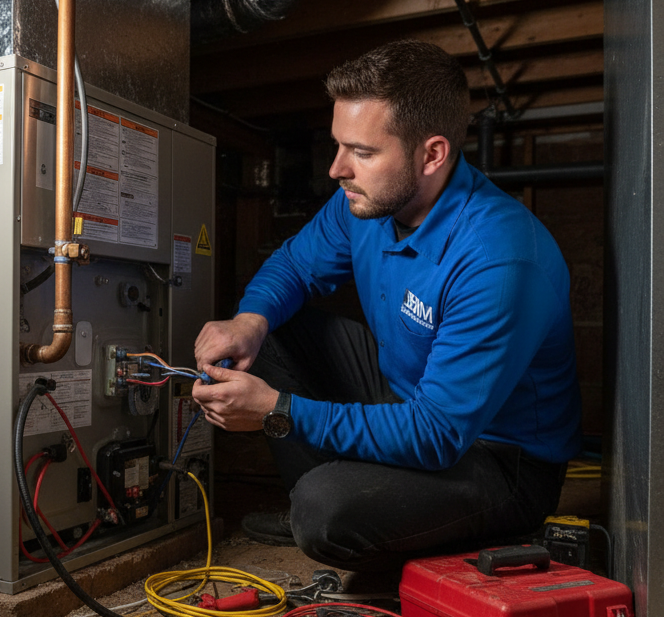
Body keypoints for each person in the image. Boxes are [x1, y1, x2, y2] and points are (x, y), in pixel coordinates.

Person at [191, 40, 582, 582]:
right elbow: (295, 268)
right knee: (270, 334)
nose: (336, 169)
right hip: (409, 396)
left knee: (324, 511)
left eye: (363, 152)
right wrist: (248, 321)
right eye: (338, 146)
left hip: (497, 456)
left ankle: (396, 522)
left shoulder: (499, 258)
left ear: (432, 154)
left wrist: (277, 410)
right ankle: (363, 502)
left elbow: (438, 432)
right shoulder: (368, 202)